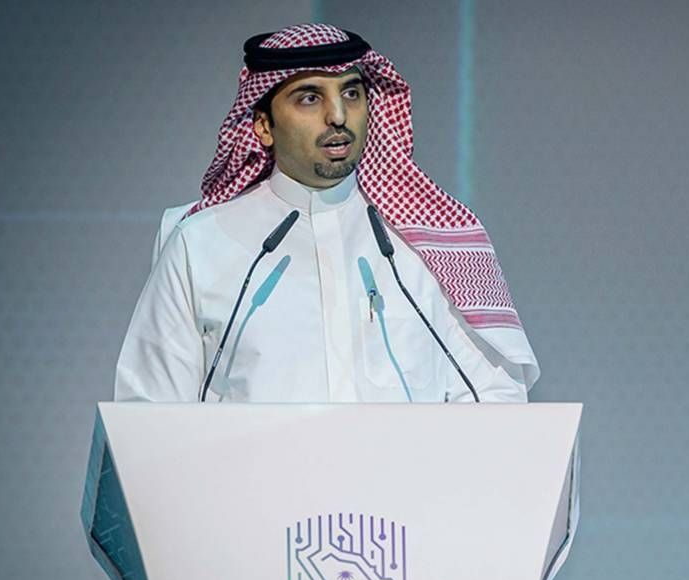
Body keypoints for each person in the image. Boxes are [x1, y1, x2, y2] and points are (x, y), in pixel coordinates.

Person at [114, 23, 540, 404]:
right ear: (263, 125)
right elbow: (151, 413)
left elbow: (494, 399)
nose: (338, 116)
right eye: (309, 97)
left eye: (351, 94)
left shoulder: (432, 241)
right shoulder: (199, 243)